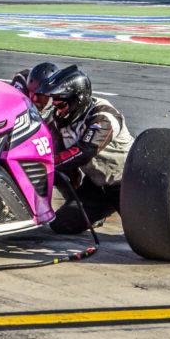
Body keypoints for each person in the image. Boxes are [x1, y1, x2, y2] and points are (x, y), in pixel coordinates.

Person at [35, 65, 134, 234]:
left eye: (61, 103)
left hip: (127, 184)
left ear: (77, 100)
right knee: (61, 224)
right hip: (95, 185)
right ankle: (94, 211)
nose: (56, 108)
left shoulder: (104, 115)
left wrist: (49, 164)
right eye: (54, 102)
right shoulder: (57, 119)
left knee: (141, 232)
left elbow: (85, 151)